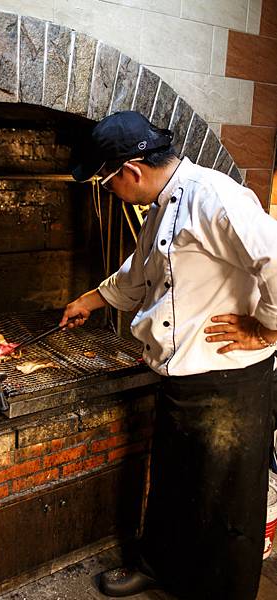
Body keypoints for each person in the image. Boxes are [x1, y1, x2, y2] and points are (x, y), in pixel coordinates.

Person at [59, 111, 277, 600]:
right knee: (175, 487)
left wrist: (265, 328)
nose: (107, 189)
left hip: (229, 383)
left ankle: (219, 592)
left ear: (131, 170)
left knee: (225, 503)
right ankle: (161, 570)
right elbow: (141, 271)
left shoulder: (214, 197)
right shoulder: (160, 203)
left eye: (105, 180)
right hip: (181, 378)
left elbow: (276, 259)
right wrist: (91, 299)